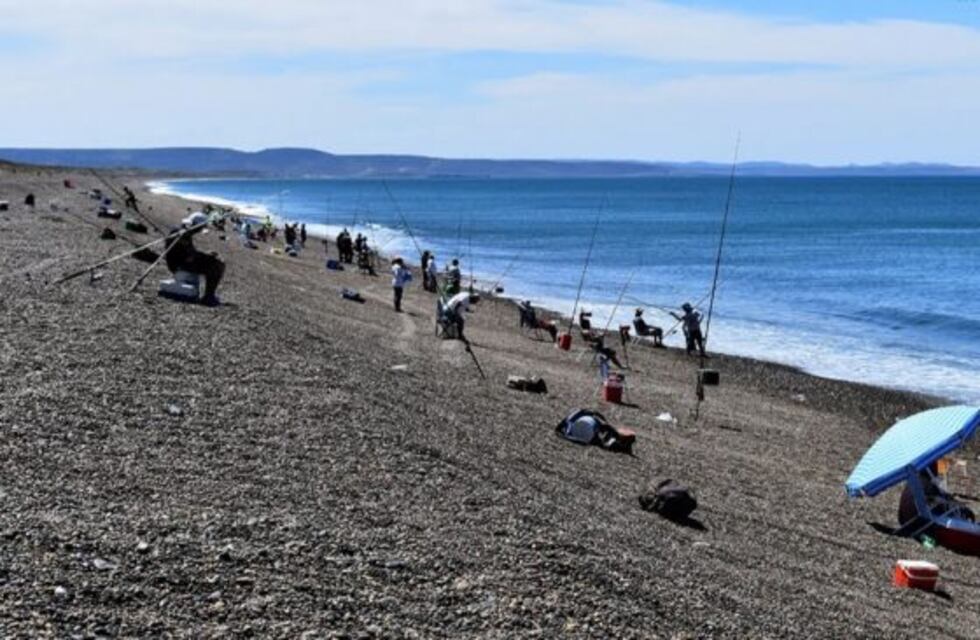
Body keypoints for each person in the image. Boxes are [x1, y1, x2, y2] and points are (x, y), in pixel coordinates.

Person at [164, 212, 225, 306]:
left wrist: (205, 254)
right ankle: (209, 297)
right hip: (178, 265)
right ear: (196, 225)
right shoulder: (179, 232)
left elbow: (190, 252)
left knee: (214, 260)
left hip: (182, 261)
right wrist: (206, 256)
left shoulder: (185, 232)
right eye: (200, 227)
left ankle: (209, 296)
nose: (200, 230)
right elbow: (190, 255)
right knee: (217, 264)